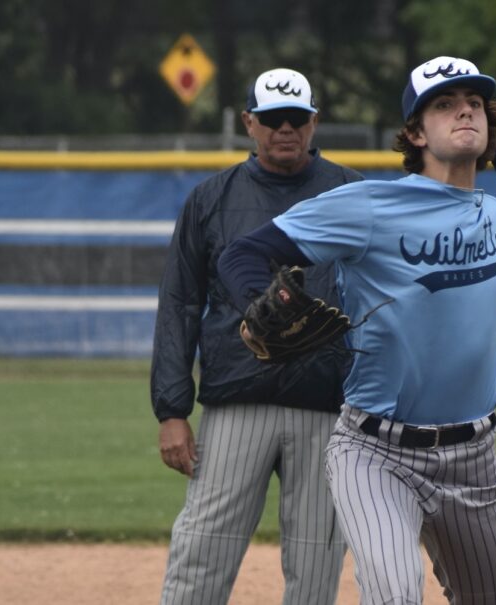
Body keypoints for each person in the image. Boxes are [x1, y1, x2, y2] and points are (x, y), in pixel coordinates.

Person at [217, 56, 496, 604]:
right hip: (376, 452)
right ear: (415, 133)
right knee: (395, 592)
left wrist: (495, 138)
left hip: (474, 459)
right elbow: (243, 254)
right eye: (445, 104)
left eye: (475, 104)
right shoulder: (369, 206)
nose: (464, 111)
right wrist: (256, 302)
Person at [150, 67, 363, 605]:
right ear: (249, 122)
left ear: (314, 121)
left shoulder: (353, 193)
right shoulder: (211, 199)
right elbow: (179, 304)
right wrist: (172, 410)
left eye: (295, 117)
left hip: (328, 408)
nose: (284, 128)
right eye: (272, 118)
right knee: (203, 549)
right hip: (237, 402)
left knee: (316, 563)